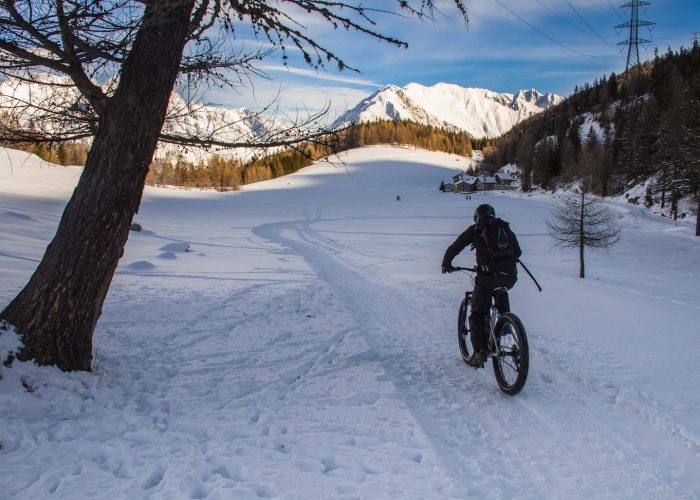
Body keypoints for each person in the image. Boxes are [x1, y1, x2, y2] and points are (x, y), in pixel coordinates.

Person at [441, 203, 522, 368]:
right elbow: (518, 252)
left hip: (487, 278)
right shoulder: (504, 228)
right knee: (501, 289)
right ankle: (505, 321)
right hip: (509, 278)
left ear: (477, 217)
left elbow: (456, 246)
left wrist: (446, 263)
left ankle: (480, 352)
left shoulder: (476, 229)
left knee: (477, 314)